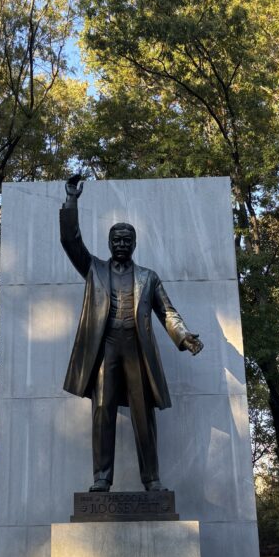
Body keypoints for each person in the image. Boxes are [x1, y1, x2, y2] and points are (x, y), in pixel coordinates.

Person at [60, 174, 203, 492]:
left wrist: (183, 336)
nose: (122, 244)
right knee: (102, 411)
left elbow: (167, 312)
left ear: (134, 244)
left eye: (127, 240)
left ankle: (151, 479)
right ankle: (101, 478)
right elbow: (71, 241)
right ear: (110, 243)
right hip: (105, 348)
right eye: (117, 240)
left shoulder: (148, 277)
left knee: (143, 415)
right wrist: (71, 201)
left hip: (137, 351)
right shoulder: (94, 269)